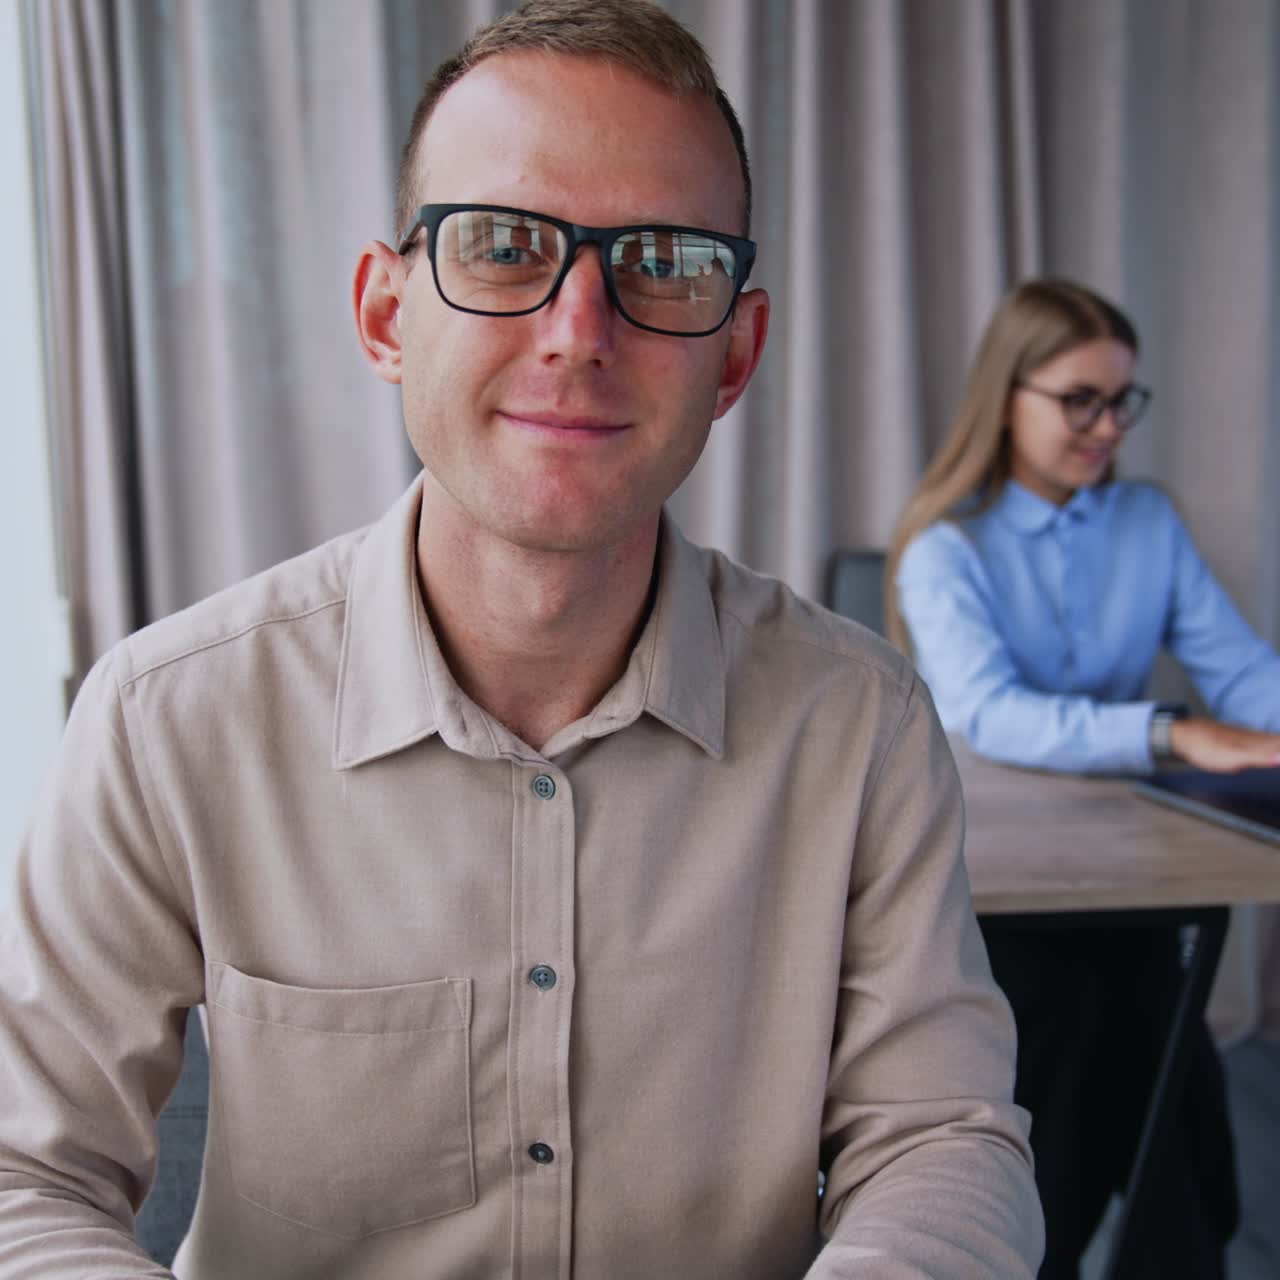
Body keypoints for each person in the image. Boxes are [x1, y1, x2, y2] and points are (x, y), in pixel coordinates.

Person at [0, 3, 1043, 1276]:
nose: (579, 330)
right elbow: (24, 1173)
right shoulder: (168, 717)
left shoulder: (860, 725)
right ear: (386, 316)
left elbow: (938, 1138)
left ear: (734, 354)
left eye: (662, 262)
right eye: (502, 246)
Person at [888, 277, 1280, 1279]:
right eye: (1080, 400)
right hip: (1002, 884)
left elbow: (1242, 673)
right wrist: (1173, 732)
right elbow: (989, 713)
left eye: (1121, 401)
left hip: (1131, 867)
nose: (1108, 427)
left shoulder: (1147, 522)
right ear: (1005, 398)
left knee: (1175, 1099)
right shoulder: (944, 547)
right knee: (1061, 1074)